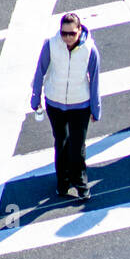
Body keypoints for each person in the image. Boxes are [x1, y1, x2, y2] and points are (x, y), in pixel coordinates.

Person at [30, 12, 100, 199]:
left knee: (77, 146)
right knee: (61, 143)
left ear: (79, 31)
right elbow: (40, 72)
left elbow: (94, 81)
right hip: (55, 102)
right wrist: (35, 98)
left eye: (71, 33)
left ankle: (80, 182)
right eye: (64, 33)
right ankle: (63, 182)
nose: (67, 37)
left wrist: (95, 108)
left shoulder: (90, 50)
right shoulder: (51, 45)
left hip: (80, 104)